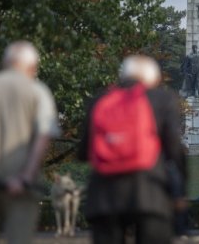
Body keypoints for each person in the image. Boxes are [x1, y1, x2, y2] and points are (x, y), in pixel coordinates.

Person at [79, 55, 185, 244]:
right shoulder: (162, 99)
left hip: (105, 196)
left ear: (122, 76)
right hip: (150, 193)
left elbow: (84, 151)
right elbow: (174, 149)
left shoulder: (100, 100)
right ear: (154, 79)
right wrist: (180, 190)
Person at [0, 41, 60, 243]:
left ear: (4, 63)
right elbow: (43, 135)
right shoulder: (37, 91)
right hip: (21, 186)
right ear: (33, 67)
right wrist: (26, 175)